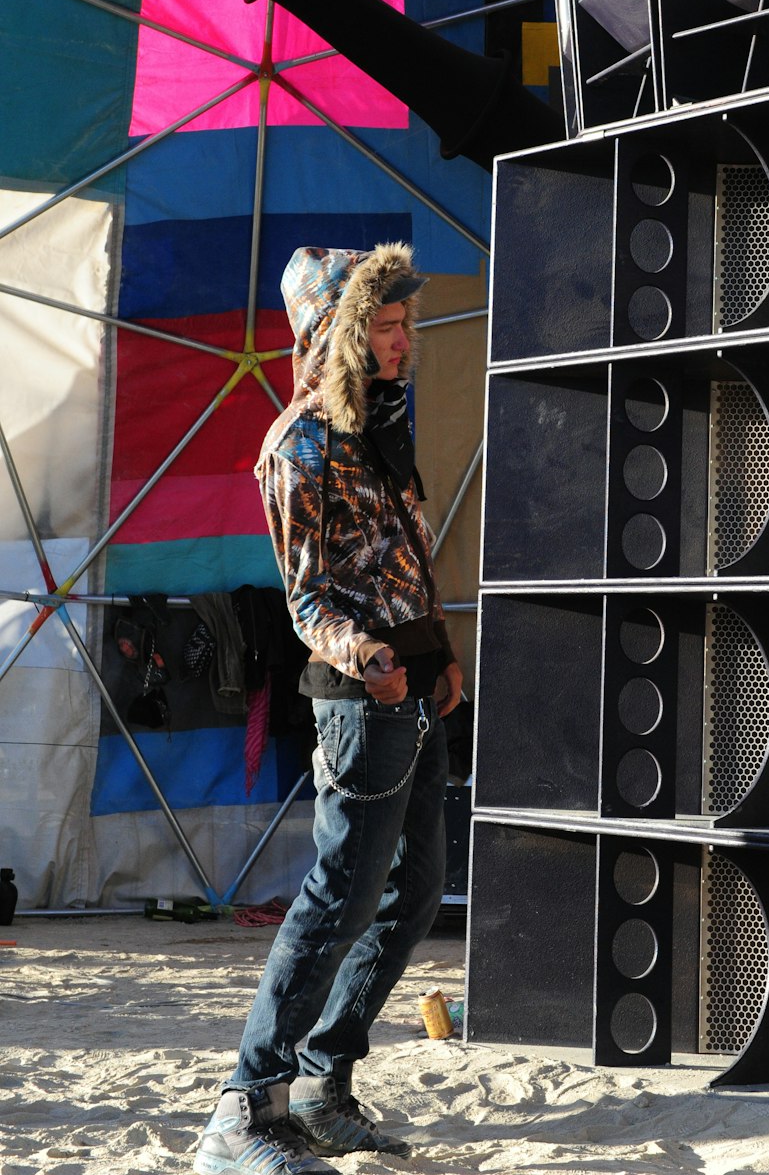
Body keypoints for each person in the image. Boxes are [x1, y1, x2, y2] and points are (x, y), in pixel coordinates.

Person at [195, 243, 463, 1175]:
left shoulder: (378, 424)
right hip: (362, 698)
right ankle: (242, 1108)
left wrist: (438, 650)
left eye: (406, 326)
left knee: (414, 893)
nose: (404, 343)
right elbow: (307, 598)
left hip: (416, 687)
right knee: (336, 899)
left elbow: (403, 555)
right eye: (385, 328)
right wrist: (375, 656)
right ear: (337, 334)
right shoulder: (298, 444)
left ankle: (320, 1081)